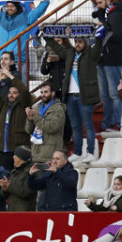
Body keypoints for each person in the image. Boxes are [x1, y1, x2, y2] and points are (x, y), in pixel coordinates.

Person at [45, 35, 101, 163]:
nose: (77, 44)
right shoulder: (70, 53)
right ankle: (77, 152)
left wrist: (99, 35)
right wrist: (46, 35)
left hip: (84, 96)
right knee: (75, 126)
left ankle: (91, 152)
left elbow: (98, 45)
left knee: (88, 126)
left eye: (80, 42)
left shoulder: (91, 54)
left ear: (86, 43)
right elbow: (56, 47)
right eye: (76, 42)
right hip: (70, 96)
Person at [93, 0, 122, 132]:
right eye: (96, 4)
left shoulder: (116, 14)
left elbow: (116, 35)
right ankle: (106, 123)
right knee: (105, 95)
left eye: (100, 3)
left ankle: (116, 123)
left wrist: (102, 29)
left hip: (113, 59)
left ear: (108, 1)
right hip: (102, 59)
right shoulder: (106, 15)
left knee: (114, 94)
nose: (98, 6)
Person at [0, 68, 32, 168]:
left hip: (18, 150)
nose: (11, 95)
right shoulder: (4, 106)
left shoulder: (23, 105)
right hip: (4, 150)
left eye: (14, 92)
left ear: (19, 95)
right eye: (9, 92)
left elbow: (24, 91)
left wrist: (10, 76)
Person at [25, 82, 66, 164]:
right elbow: (28, 131)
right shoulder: (36, 107)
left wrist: (35, 117)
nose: (43, 95)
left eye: (46, 92)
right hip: (36, 154)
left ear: (53, 93)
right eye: (41, 92)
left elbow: (52, 128)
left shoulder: (58, 109)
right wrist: (29, 120)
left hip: (50, 155)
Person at [1, 146, 38, 210]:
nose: (13, 157)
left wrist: (9, 186)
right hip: (12, 212)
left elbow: (26, 192)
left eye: (16, 155)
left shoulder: (32, 172)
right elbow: (5, 196)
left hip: (25, 214)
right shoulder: (14, 172)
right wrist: (4, 189)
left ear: (22, 159)